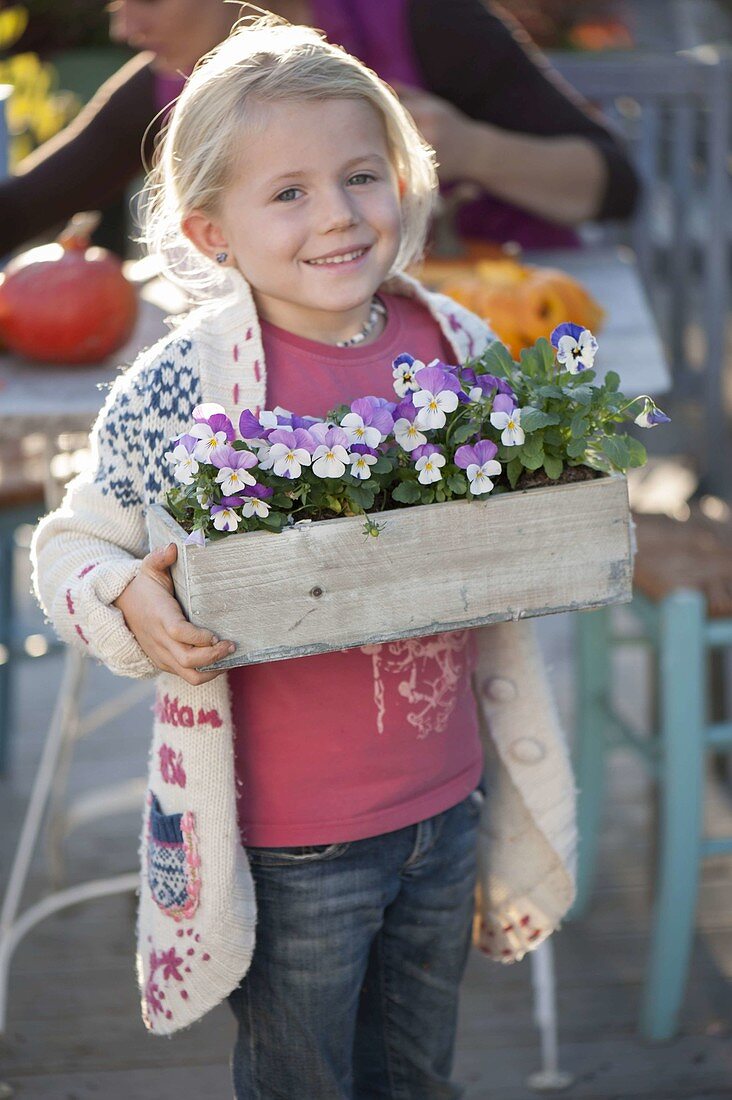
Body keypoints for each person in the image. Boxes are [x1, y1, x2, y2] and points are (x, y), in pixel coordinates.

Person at [32, 17, 576, 1098]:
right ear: (211, 228)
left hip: (443, 803)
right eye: (287, 193)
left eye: (362, 176)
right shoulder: (186, 385)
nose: (337, 214)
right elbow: (72, 541)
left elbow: (529, 507)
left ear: (405, 179)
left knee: (418, 1072)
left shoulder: (455, 343)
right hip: (291, 838)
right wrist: (122, 593)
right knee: (303, 1078)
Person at [0, 0, 638, 257]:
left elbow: (617, 187)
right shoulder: (164, 88)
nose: (123, 27)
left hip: (506, 319)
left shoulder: (431, 23)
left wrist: (467, 146)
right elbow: (29, 206)